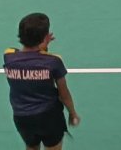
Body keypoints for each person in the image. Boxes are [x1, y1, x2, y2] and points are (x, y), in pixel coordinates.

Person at [4, 13, 81, 150]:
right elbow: (64, 94)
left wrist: (42, 47)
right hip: (49, 117)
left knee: (31, 146)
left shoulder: (9, 57)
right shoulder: (53, 62)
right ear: (45, 37)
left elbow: (28, 59)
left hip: (22, 117)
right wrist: (73, 113)